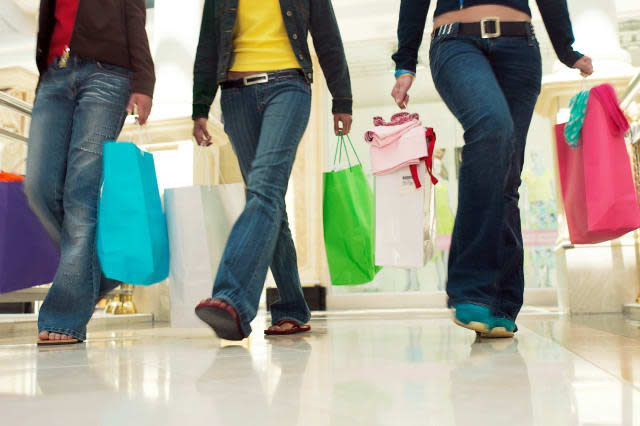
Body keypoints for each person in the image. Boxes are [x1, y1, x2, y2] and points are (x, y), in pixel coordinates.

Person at [391, 0, 593, 337]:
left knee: (508, 176)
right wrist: (405, 61)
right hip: (456, 42)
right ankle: (470, 287)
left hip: (521, 47)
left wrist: (565, 48)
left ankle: (502, 303)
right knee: (492, 127)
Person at [192, 0, 352, 340]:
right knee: (268, 204)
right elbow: (208, 44)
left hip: (289, 87)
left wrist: (343, 99)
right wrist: (199, 106)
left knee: (263, 190)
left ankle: (231, 297)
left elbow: (327, 36)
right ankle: (292, 306)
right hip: (236, 96)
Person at [25, 0, 155, 345]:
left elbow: (134, 18)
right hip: (55, 74)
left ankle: (65, 317)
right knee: (38, 188)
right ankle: (99, 274)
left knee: (80, 195)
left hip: (107, 74)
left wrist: (144, 80)